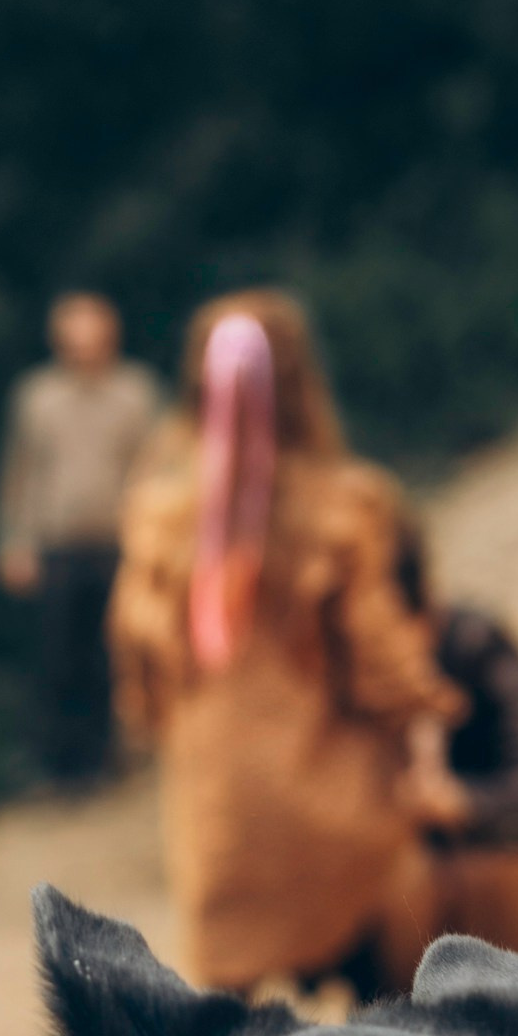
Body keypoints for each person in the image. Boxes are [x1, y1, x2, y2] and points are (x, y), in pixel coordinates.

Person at [106, 291, 463, 991]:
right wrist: (425, 728)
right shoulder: (345, 503)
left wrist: (153, 721)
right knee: (392, 967)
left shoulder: (158, 515)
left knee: (230, 995)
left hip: (220, 819)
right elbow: (379, 657)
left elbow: (139, 657)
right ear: (304, 378)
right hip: (331, 812)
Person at [338, 519, 518, 996]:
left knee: (506, 867)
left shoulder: (475, 646)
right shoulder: (340, 685)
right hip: (392, 926)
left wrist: (461, 802)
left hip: (501, 878)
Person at [0, 293, 162, 785]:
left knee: (119, 655)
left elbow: (155, 466)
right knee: (60, 660)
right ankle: (66, 768)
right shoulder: (36, 396)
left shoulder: (137, 391)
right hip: (58, 547)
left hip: (122, 543)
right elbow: (20, 475)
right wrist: (13, 542)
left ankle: (120, 757)